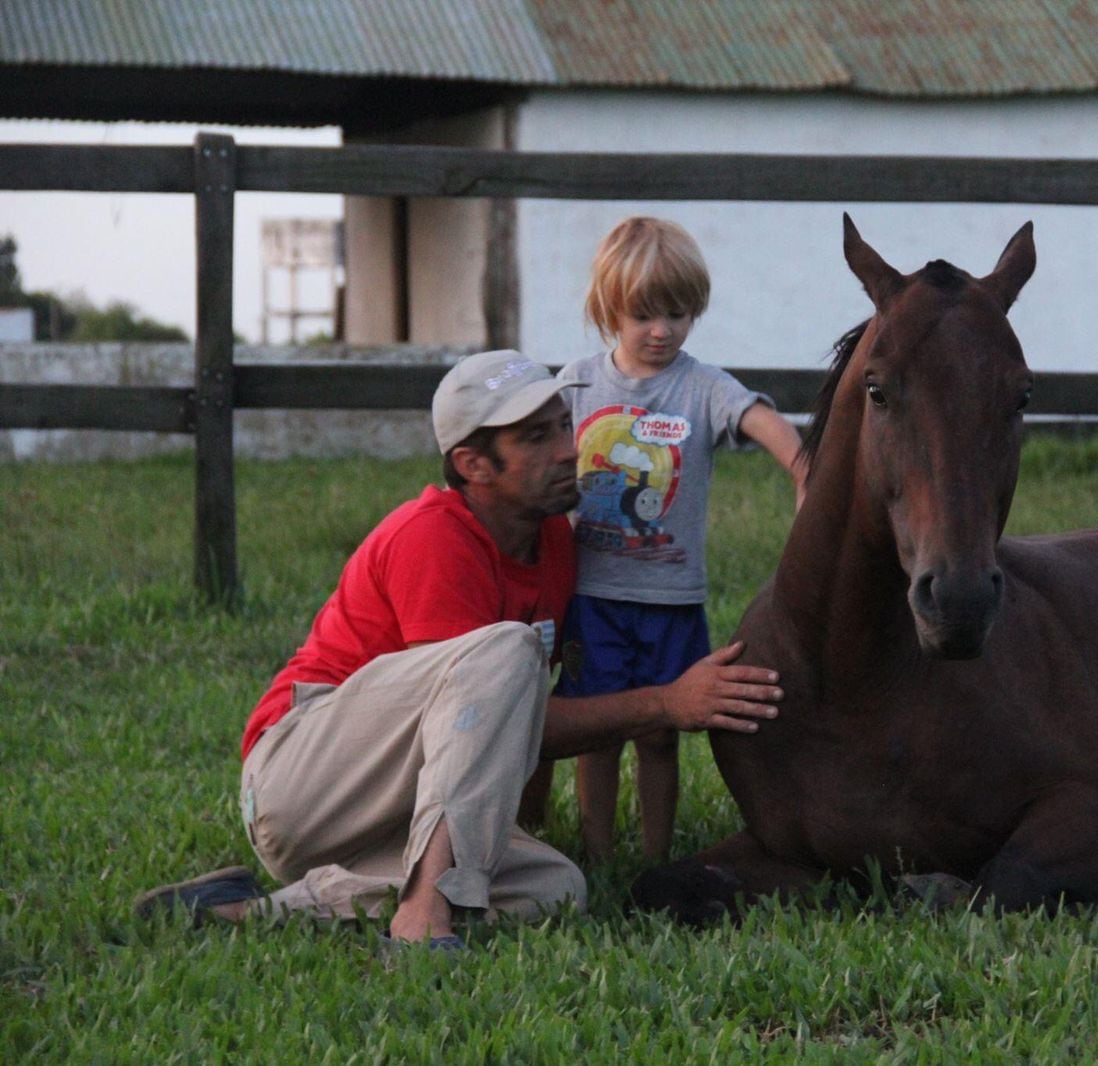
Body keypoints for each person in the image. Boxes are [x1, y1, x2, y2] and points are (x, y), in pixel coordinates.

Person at [134, 348, 786, 949]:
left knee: (557, 889)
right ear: (474, 466)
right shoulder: (433, 538)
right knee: (504, 650)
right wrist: (667, 704)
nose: (569, 450)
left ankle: (250, 911)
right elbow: (484, 714)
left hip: (399, 813)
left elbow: (497, 732)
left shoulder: (555, 540)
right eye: (537, 437)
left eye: (564, 425)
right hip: (300, 785)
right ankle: (423, 915)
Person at [539, 216, 806, 863]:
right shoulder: (577, 384)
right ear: (610, 311)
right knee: (598, 731)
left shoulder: (702, 386)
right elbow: (536, 452)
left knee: (661, 733)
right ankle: (598, 854)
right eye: (644, 315)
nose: (662, 330)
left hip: (672, 599)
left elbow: (760, 419)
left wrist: (804, 471)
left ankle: (657, 858)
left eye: (679, 313)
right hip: (594, 595)